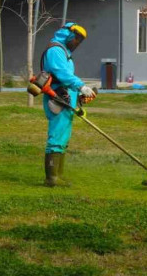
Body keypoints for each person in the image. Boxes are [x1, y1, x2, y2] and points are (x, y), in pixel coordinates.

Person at [40, 22, 96, 187]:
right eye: (76, 38)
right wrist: (81, 86)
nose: (77, 42)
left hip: (67, 98)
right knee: (56, 136)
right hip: (57, 97)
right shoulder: (55, 50)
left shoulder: (64, 52)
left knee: (63, 137)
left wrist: (78, 94)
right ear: (67, 34)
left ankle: (58, 175)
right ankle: (51, 178)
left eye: (80, 40)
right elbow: (62, 74)